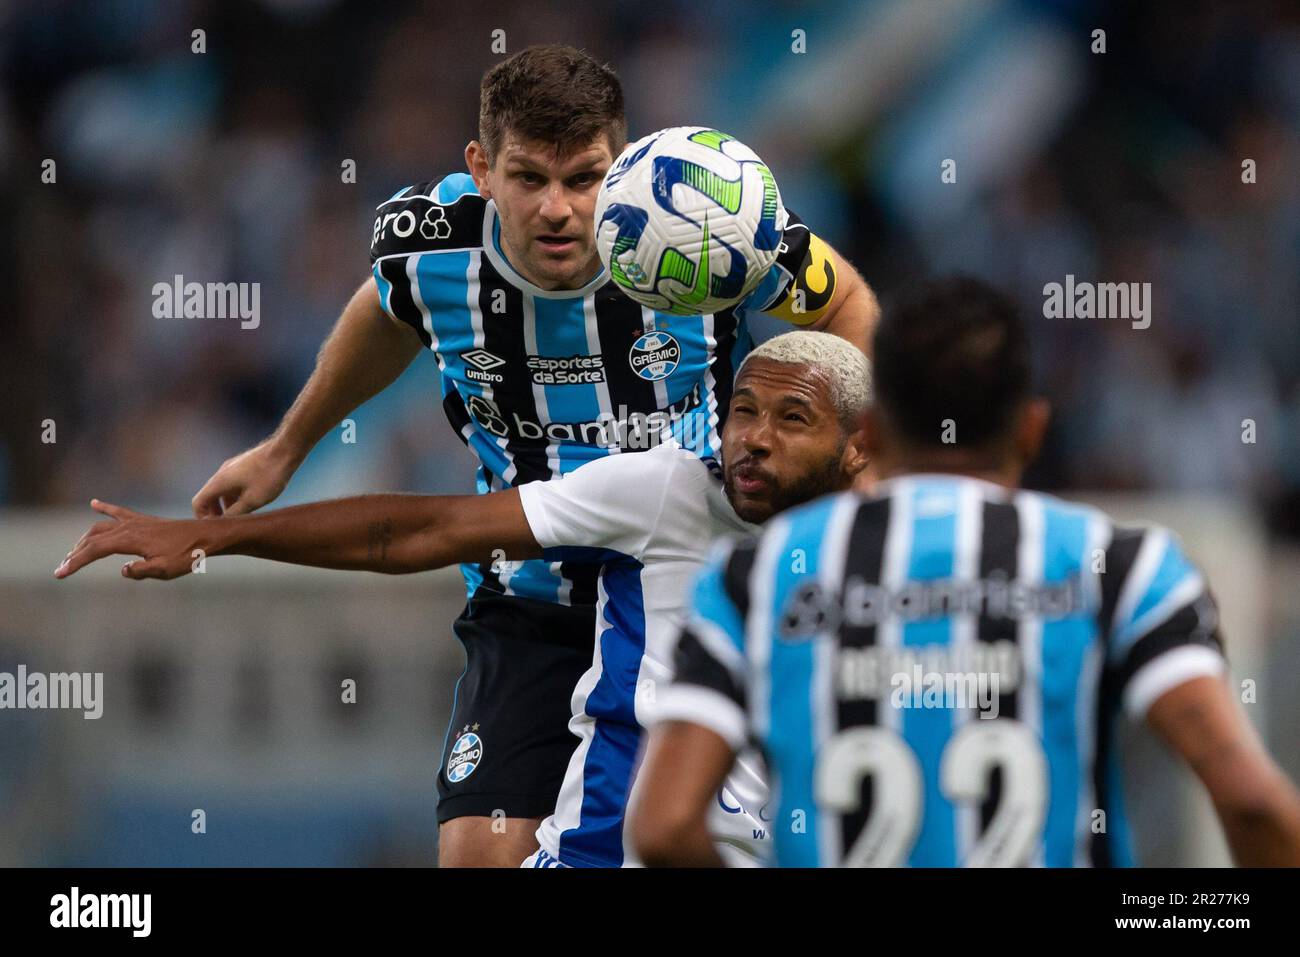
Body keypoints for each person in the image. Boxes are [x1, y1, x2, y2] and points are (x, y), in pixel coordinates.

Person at [186, 45, 880, 865]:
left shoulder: (700, 213)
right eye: (529, 178)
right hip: (531, 595)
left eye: (584, 178)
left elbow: (847, 305)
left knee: (685, 840)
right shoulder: (428, 245)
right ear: (482, 168)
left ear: (618, 165)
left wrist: (859, 476)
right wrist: (284, 448)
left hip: (688, 590)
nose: (557, 208)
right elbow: (387, 312)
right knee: (480, 856)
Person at [56, 331, 872, 867]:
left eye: (791, 418)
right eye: (742, 411)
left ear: (856, 446)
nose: (753, 437)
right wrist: (217, 537)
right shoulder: (664, 489)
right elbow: (430, 528)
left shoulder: (898, 553)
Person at [630, 277, 1300, 867]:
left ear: (874, 430)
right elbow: (1251, 803)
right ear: (1032, 430)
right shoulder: (1121, 567)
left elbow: (662, 828)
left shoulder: (750, 577)